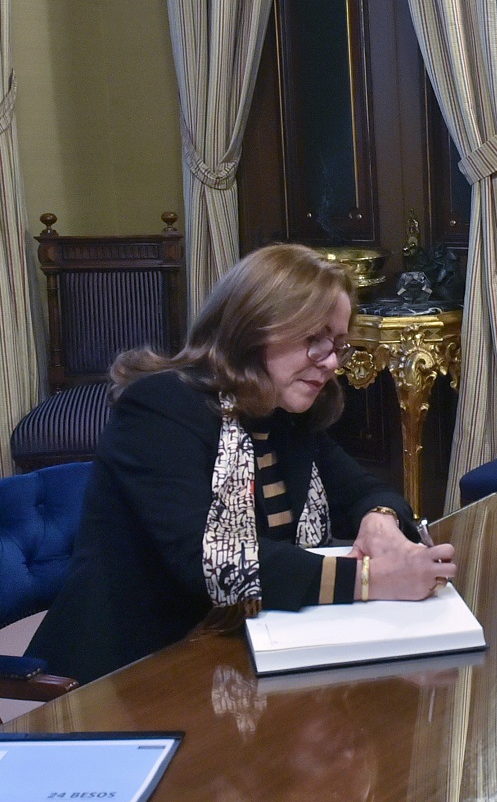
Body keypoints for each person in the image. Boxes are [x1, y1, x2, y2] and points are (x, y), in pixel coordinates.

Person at [29, 244, 455, 684]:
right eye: (315, 339)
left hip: (236, 647)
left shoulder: (284, 414)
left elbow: (366, 488)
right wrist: (369, 580)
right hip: (129, 668)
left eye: (339, 345)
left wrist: (379, 521)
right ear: (254, 329)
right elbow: (208, 562)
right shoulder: (159, 407)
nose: (331, 363)